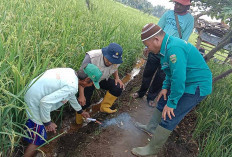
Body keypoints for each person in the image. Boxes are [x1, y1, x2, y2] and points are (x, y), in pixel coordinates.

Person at [131, 23, 212, 156]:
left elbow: (179, 78)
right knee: (163, 100)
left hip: (196, 86)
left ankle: (152, 150)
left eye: (147, 45)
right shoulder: (165, 48)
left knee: (170, 114)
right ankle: (151, 128)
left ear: (156, 40)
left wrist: (172, 103)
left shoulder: (174, 49)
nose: (148, 49)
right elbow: (170, 72)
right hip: (185, 81)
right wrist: (164, 88)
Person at [24, 64, 102, 157]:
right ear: (86, 80)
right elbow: (45, 103)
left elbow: (70, 95)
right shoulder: (72, 86)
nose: (90, 86)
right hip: (33, 101)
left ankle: (26, 139)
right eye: (91, 83)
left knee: (36, 130)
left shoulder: (71, 73)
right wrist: (48, 123)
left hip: (32, 91)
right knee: (39, 138)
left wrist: (80, 111)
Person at [132, 0, 194, 107]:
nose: (177, 6)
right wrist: (148, 46)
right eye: (176, 3)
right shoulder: (168, 13)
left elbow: (184, 39)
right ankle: (141, 92)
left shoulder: (189, 20)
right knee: (148, 73)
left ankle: (151, 97)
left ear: (186, 7)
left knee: (160, 77)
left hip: (169, 53)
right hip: (156, 48)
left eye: (180, 5)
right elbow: (157, 30)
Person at [76, 43, 124, 124]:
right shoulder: (91, 57)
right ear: (105, 54)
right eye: (108, 59)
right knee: (84, 101)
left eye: (113, 61)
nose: (110, 63)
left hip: (103, 79)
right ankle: (79, 120)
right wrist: (81, 95)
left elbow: (115, 68)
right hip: (89, 81)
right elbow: (82, 78)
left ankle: (105, 106)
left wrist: (117, 78)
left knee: (118, 87)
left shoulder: (117, 58)